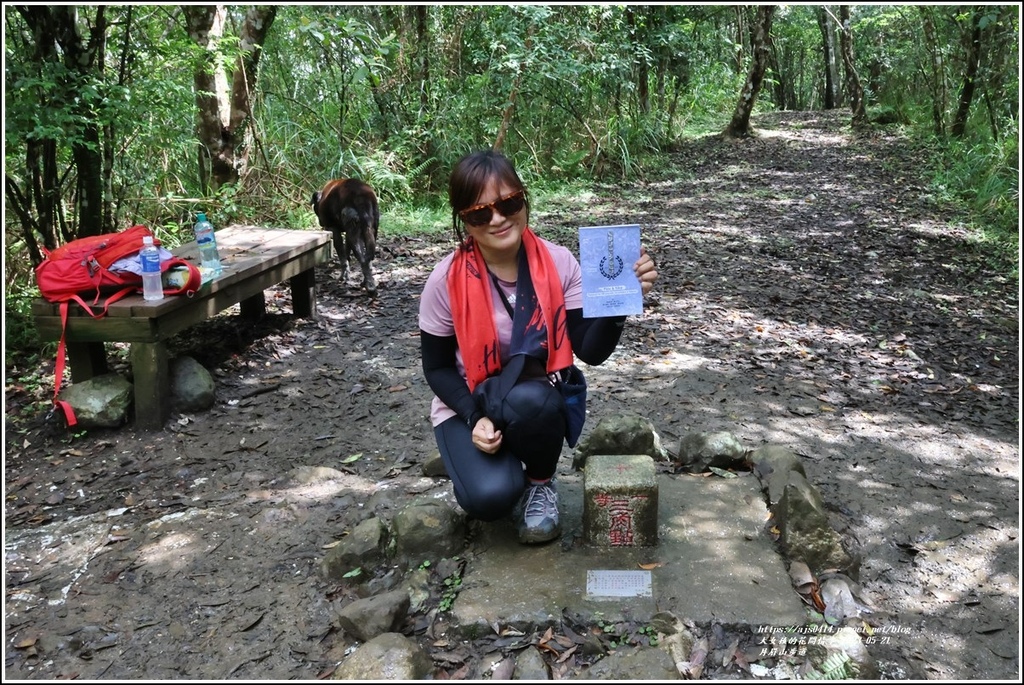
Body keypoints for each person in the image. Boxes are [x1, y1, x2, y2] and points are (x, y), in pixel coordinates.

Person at [418, 150, 658, 544]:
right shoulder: (445, 279)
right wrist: (472, 417)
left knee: (534, 399)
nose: (498, 219)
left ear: (524, 199)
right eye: (480, 213)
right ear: (464, 221)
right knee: (490, 499)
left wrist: (622, 302)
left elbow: (591, 350)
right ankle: (495, 465)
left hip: (532, 400)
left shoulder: (560, 263)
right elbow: (438, 367)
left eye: (509, 203)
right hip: (468, 401)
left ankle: (540, 481)